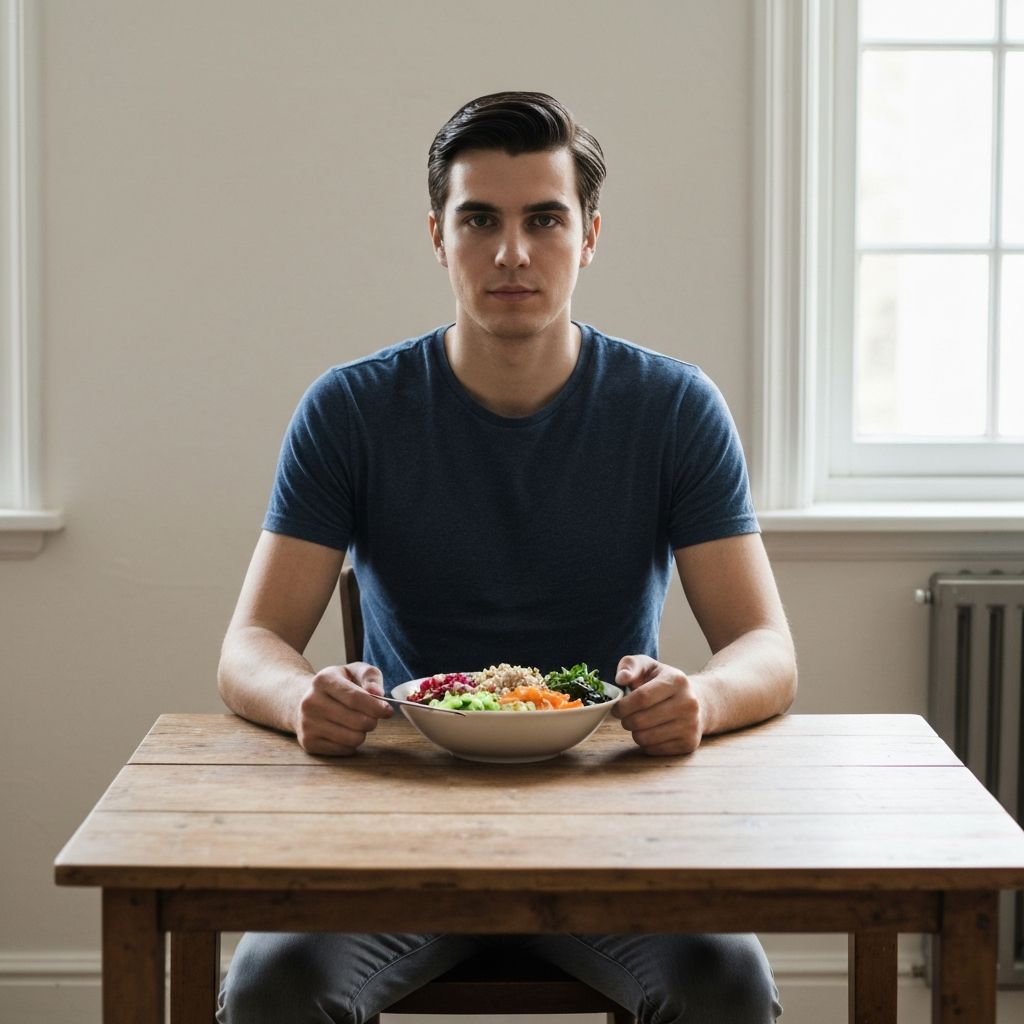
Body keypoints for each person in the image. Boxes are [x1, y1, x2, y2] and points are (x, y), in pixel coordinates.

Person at [216, 91, 796, 1024]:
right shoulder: (351, 410)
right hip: (399, 824)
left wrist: (704, 698)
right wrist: (301, 698)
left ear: (591, 235)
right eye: (479, 219)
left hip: (610, 822)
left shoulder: (674, 407)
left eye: (545, 219)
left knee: (725, 989)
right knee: (270, 991)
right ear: (438, 237)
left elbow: (767, 647)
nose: (512, 252)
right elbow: (250, 645)